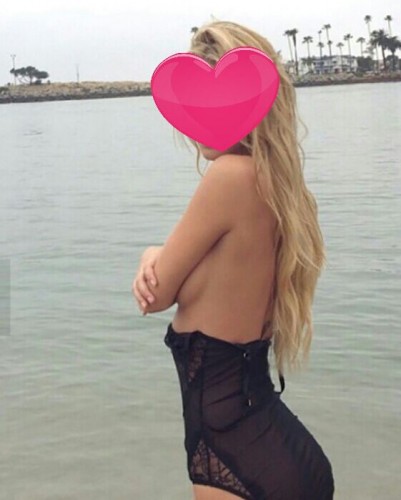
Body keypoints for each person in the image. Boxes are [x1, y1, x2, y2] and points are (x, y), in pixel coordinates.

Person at [132, 19, 335, 500]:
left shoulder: (228, 177)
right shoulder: (276, 190)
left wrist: (151, 253)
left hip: (234, 461)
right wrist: (157, 254)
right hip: (279, 453)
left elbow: (154, 295)